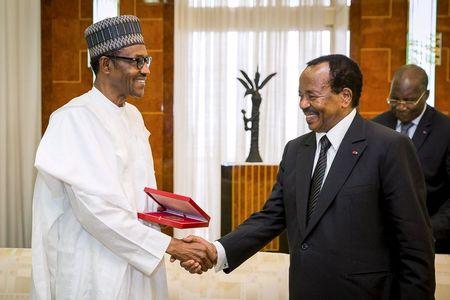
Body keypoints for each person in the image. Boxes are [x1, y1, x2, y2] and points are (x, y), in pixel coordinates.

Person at [178, 55, 436, 299]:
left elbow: (415, 246)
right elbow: (272, 216)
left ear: (345, 96)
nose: (303, 104)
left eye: (311, 95)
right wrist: (216, 250)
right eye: (301, 96)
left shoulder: (389, 147)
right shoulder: (296, 150)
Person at [31, 15, 213, 300]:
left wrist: (173, 217)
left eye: (147, 60)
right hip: (94, 271)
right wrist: (172, 247)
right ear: (106, 65)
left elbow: (137, 199)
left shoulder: (133, 117)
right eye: (137, 61)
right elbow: (96, 211)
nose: (146, 70)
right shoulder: (72, 119)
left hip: (139, 270)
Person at [373, 64, 450, 253]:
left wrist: (429, 230)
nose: (401, 106)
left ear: (426, 95)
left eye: (409, 100)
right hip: (383, 240)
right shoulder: (376, 126)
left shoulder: (445, 130)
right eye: (394, 99)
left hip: (432, 239)